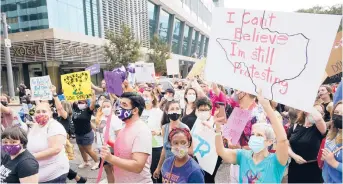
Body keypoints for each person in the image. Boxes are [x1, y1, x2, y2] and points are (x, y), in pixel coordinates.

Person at [215, 89, 289, 183]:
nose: (254, 137)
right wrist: (218, 130)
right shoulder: (243, 156)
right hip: (236, 163)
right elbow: (221, 150)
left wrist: (267, 106)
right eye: (253, 134)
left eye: (259, 135)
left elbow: (282, 139)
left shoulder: (275, 162)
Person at [100, 92, 153, 183]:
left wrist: (111, 158)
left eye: (124, 105)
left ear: (135, 110)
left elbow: (137, 166)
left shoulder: (142, 131)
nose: (120, 108)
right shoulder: (125, 127)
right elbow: (126, 149)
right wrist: (108, 142)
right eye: (120, 104)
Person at [27, 102, 69, 183]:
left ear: (50, 113)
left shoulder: (55, 126)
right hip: (37, 173)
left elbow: (55, 149)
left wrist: (29, 157)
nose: (41, 114)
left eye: (44, 111)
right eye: (38, 112)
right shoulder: (35, 126)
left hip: (53, 175)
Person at [287, 106, 327, 183]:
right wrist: (294, 156)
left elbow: (318, 119)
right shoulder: (295, 126)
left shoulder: (320, 129)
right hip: (295, 167)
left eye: (320, 112)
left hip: (313, 169)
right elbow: (286, 145)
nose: (318, 114)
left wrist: (308, 105)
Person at [153, 100, 190, 180]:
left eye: (177, 108)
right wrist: (158, 167)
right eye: (172, 109)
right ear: (167, 111)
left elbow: (188, 151)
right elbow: (164, 150)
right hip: (167, 166)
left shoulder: (185, 128)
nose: (175, 111)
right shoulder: (164, 128)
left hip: (181, 167)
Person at [193, 97, 223, 183]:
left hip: (213, 156)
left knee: (209, 179)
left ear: (210, 110)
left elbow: (220, 134)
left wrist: (211, 128)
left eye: (206, 109)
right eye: (201, 110)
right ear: (197, 111)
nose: (203, 112)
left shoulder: (215, 120)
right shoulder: (197, 121)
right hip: (199, 156)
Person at [95, 99, 123, 183]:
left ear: (112, 108)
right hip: (102, 149)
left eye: (108, 106)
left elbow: (119, 136)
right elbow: (99, 132)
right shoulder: (101, 118)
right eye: (104, 107)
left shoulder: (115, 119)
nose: (106, 108)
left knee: (114, 170)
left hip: (111, 149)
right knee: (107, 170)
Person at [72, 91, 99, 170]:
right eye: (79, 101)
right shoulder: (75, 107)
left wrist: (93, 94)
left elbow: (93, 102)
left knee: (88, 149)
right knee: (81, 149)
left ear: (86, 102)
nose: (81, 102)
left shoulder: (88, 109)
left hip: (86, 133)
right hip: (78, 133)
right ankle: (86, 161)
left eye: (83, 101)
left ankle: (97, 162)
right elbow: (70, 98)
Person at [141, 88, 164, 183]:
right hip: (142, 146)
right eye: (143, 96)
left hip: (155, 146)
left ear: (152, 98)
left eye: (146, 96)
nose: (144, 98)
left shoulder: (158, 112)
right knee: (145, 172)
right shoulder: (139, 111)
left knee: (155, 171)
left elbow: (165, 129)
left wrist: (158, 132)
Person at [322, 101, 342, 183]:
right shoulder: (331, 134)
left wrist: (334, 163)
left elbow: (332, 161)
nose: (339, 116)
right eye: (336, 112)